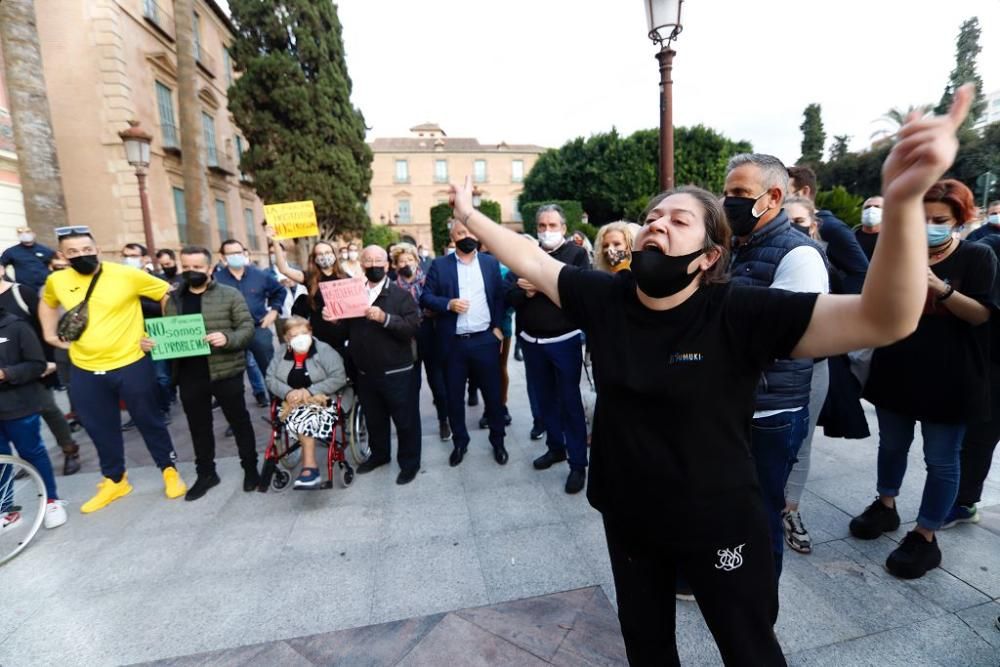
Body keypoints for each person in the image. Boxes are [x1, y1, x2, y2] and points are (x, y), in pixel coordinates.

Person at [441, 86, 971, 664]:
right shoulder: (608, 298)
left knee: (746, 645)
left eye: (678, 220)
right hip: (631, 518)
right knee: (647, 646)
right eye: (651, 217)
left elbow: (885, 317)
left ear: (709, 255)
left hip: (719, 525)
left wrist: (902, 202)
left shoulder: (739, 313)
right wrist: (469, 215)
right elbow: (531, 259)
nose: (655, 226)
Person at [851, 177, 999, 579]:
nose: (930, 225)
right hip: (898, 367)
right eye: (923, 218)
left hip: (951, 377)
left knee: (941, 459)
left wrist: (941, 289)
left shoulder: (978, 256)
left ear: (959, 220)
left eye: (940, 219)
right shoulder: (897, 251)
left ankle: (926, 534)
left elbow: (983, 314)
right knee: (892, 444)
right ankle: (885, 505)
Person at [726, 154, 830, 578]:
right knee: (728, 500)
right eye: (726, 192)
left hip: (770, 410)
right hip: (733, 402)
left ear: (772, 197)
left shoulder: (799, 256)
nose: (727, 202)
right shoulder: (735, 247)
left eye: (738, 194)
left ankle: (759, 598)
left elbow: (786, 339)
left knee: (762, 508)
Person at [38, 227, 187, 512]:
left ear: (98, 250)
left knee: (148, 419)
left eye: (86, 249)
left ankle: (168, 469)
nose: (81, 255)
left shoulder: (125, 274)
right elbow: (47, 303)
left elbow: (166, 293)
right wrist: (49, 335)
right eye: (73, 252)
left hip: (130, 362)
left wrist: (161, 334)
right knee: (99, 426)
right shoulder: (57, 279)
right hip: (85, 367)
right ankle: (115, 479)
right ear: (62, 256)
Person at [145, 246, 260, 500]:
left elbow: (246, 327)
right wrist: (153, 343)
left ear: (210, 269)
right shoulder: (173, 299)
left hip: (224, 371)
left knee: (239, 421)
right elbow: (167, 332)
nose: (191, 271)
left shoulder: (229, 295)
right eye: (186, 267)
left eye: (197, 267)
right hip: (189, 373)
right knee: (198, 427)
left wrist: (227, 337)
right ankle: (206, 473)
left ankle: (251, 468)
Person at [506, 204, 591, 494]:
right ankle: (556, 447)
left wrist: (541, 286)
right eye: (542, 226)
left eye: (552, 225)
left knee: (569, 402)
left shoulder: (576, 254)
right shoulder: (526, 254)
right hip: (532, 341)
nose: (546, 231)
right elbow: (509, 295)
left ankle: (578, 463)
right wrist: (524, 291)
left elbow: (581, 293)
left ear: (564, 228)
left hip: (563, 340)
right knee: (544, 401)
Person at [421, 218, 508, 468]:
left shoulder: (491, 263)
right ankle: (460, 441)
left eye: (470, 231)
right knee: (454, 396)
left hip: (485, 340)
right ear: (453, 237)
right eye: (461, 232)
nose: (466, 235)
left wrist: (498, 328)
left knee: (493, 395)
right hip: (453, 343)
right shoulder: (440, 265)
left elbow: (499, 297)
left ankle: (498, 441)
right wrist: (447, 304)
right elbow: (425, 297)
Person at [333, 246, 422, 484]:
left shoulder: (401, 295)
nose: (373, 264)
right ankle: (380, 455)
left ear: (387, 265)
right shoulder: (352, 295)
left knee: (405, 420)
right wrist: (333, 318)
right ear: (361, 264)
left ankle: (410, 463)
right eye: (368, 260)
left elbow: (412, 328)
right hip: (365, 371)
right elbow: (345, 330)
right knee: (374, 419)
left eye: (378, 260)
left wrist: (386, 319)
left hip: (397, 371)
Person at [779, 196, 832, 555]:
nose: (791, 227)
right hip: (765, 371)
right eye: (785, 221)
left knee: (802, 443)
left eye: (798, 220)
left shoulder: (824, 258)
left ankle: (790, 511)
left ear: (813, 223)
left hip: (812, 367)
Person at [0, 277, 82, 475]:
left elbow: (44, 325)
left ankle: (69, 449)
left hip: (33, 363)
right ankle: (23, 462)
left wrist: (46, 361)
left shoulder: (21, 292)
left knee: (46, 407)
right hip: (8, 370)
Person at [0, 308, 68, 530]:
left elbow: (37, 364)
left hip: (19, 405)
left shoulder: (16, 326)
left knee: (32, 452)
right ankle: (6, 509)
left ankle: (51, 501)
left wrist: (6, 374)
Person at [265, 316, 348, 489]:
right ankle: (309, 468)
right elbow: (270, 378)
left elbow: (339, 377)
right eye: (294, 335)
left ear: (310, 332)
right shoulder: (282, 352)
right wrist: (287, 392)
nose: (300, 338)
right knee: (299, 413)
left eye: (304, 333)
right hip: (291, 403)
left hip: (324, 400)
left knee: (305, 415)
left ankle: (310, 468)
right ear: (287, 338)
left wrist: (309, 391)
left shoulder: (323, 350)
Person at [213, 238, 285, 408]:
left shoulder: (260, 275)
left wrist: (273, 312)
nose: (236, 256)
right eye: (231, 253)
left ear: (245, 254)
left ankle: (280, 411)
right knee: (233, 376)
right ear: (223, 257)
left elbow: (279, 291)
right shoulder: (215, 280)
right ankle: (237, 416)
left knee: (269, 370)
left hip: (258, 329)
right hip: (230, 333)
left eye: (239, 252)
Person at [392, 243, 450, 441]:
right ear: (396, 265)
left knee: (437, 382)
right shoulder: (393, 286)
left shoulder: (428, 281)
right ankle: (412, 427)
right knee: (411, 384)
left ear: (417, 262)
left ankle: (444, 420)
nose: (406, 263)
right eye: (401, 261)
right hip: (406, 339)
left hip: (429, 334)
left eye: (410, 260)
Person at [788, 165, 870, 295]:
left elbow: (862, 274)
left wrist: (830, 303)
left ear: (804, 192)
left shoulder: (833, 228)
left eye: (786, 192)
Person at [268, 231, 349, 357]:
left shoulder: (346, 278)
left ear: (334, 254)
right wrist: (275, 240)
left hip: (344, 335)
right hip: (321, 336)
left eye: (328, 252)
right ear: (315, 258)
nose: (324, 256)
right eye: (320, 254)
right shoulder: (310, 277)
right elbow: (284, 269)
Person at [123, 242, 173, 424]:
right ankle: (138, 414)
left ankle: (164, 408)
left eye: (133, 256)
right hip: (129, 336)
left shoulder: (158, 281)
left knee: (161, 376)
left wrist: (138, 303)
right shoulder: (121, 282)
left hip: (154, 332)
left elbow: (166, 307)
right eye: (126, 255)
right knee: (133, 381)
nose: (129, 259)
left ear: (144, 259)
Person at [1, 226, 55, 291]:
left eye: (27, 231)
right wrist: (9, 281)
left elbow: (55, 265)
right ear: (18, 235)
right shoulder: (11, 252)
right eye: (20, 232)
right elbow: (1, 265)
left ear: (33, 234)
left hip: (46, 287)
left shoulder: (45, 250)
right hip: (25, 289)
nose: (24, 234)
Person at [855, 196, 884, 261]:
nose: (871, 210)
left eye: (877, 207)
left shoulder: (895, 240)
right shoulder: (850, 238)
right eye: (867, 207)